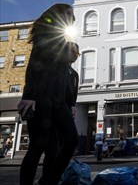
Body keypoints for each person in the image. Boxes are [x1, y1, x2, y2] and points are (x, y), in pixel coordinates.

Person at [17, 3, 78, 185]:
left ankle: (49, 181)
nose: (73, 18)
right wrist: (28, 96)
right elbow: (34, 65)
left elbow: (65, 76)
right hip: (41, 96)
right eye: (70, 14)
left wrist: (70, 104)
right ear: (59, 15)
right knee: (38, 145)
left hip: (58, 101)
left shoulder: (62, 39)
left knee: (70, 140)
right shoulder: (46, 34)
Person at [38, 41, 81, 185]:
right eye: (73, 52)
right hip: (51, 109)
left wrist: (73, 105)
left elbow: (73, 92)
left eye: (77, 53)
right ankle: (47, 179)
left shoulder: (74, 74)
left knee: (66, 143)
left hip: (65, 110)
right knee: (52, 149)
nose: (76, 55)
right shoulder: (57, 67)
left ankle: (51, 179)